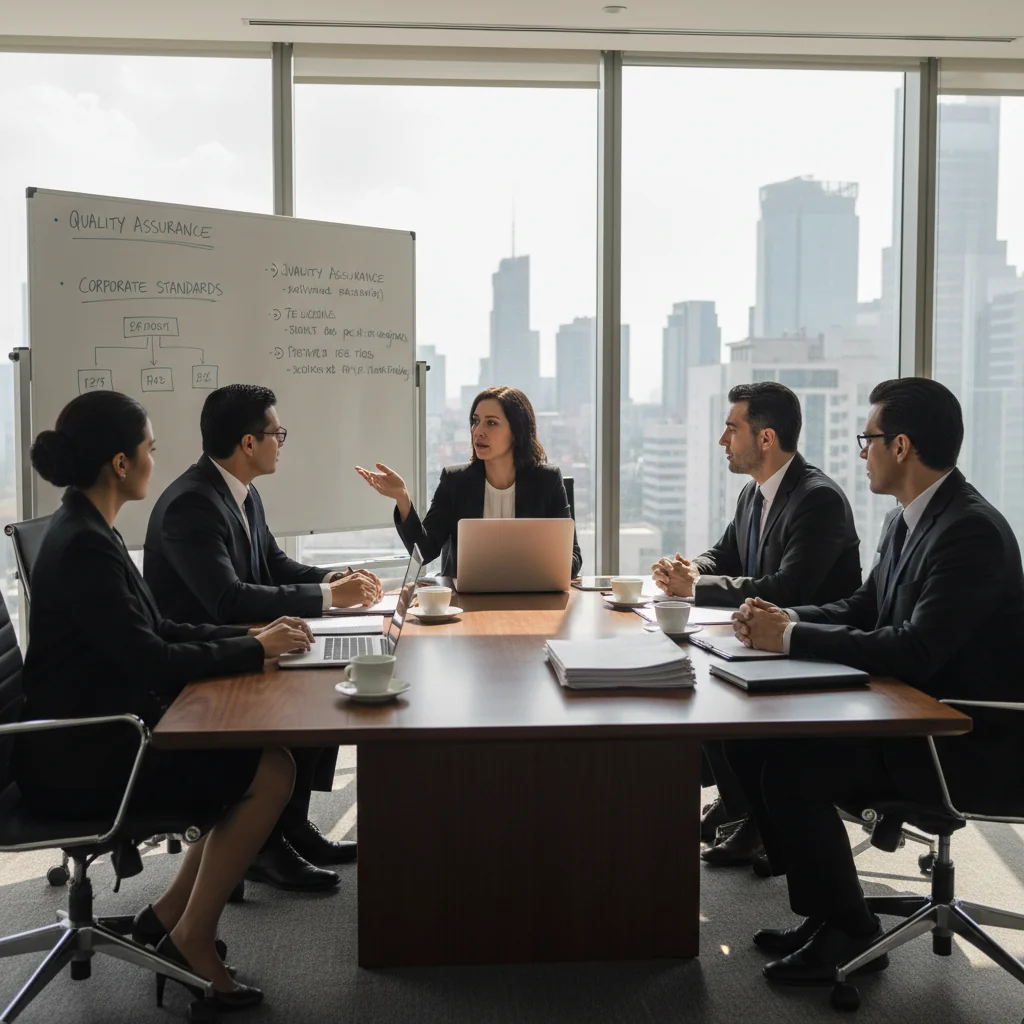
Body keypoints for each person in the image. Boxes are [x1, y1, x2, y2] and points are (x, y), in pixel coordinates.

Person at [14, 390, 312, 1009]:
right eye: (150, 447)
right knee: (270, 767)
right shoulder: (89, 546)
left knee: (252, 757)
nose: (157, 458)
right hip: (85, 760)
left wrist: (249, 638)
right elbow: (151, 657)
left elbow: (158, 630)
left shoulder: (89, 527)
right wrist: (251, 649)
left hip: (83, 739)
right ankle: (191, 940)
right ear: (121, 463)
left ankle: (165, 918)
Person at [726, 377, 1024, 987]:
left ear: (902, 446)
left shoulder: (969, 532)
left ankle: (852, 931)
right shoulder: (909, 519)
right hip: (909, 714)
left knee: (793, 768)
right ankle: (832, 912)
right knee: (767, 745)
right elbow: (864, 607)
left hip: (966, 739)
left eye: (869, 439)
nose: (862, 452)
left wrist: (786, 638)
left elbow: (915, 649)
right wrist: (784, 619)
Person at [144, 384, 378, 890]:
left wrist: (331, 581)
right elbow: (228, 600)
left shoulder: (240, 492)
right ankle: (264, 847)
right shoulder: (192, 505)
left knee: (322, 687)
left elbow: (272, 565)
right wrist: (328, 601)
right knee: (311, 699)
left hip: (239, 645)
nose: (281, 442)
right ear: (249, 443)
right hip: (200, 669)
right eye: (278, 433)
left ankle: (290, 828)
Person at [651, 382, 862, 867]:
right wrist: (690, 570)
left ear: (765, 438)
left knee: (713, 697)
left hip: (809, 652)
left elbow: (787, 588)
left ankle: (756, 818)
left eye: (731, 429)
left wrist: (696, 589)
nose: (724, 441)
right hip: (761, 644)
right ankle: (744, 805)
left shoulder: (818, 499)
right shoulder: (755, 494)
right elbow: (723, 553)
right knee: (699, 685)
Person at [356, 385, 583, 579]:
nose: (478, 431)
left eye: (491, 423)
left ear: (516, 432)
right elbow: (425, 552)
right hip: (466, 605)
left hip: (531, 602)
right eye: (475, 421)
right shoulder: (455, 482)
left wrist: (538, 563)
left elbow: (573, 561)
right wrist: (402, 498)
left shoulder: (547, 481)